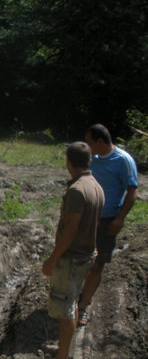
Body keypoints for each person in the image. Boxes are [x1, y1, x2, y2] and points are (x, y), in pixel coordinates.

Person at [34, 142, 104, 359]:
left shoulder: (76, 191)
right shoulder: (95, 186)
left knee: (65, 309)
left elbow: (70, 230)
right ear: (89, 161)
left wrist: (53, 259)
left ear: (68, 162)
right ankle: (64, 349)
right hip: (85, 256)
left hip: (71, 259)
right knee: (72, 304)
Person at [76, 124, 139, 326]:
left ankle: (83, 306)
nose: (87, 145)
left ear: (101, 141)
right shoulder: (91, 159)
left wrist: (120, 218)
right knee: (79, 260)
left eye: (90, 141)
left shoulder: (123, 160)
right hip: (86, 218)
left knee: (97, 264)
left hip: (107, 219)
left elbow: (132, 191)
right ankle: (73, 299)